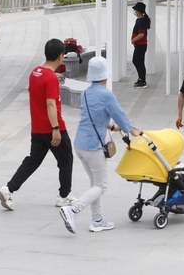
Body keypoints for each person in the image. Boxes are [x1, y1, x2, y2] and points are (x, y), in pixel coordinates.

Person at [59, 56, 142, 234]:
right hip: (93, 146)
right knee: (102, 185)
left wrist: (110, 126)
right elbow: (118, 113)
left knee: (94, 183)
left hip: (80, 144)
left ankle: (97, 220)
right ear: (105, 75)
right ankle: (73, 210)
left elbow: (94, 116)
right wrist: (130, 129)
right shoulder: (106, 95)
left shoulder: (86, 93)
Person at [0, 38, 76, 211]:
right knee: (66, 160)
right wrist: (55, 128)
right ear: (60, 56)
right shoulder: (51, 78)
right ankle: (64, 196)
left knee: (33, 160)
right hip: (52, 128)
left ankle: (8, 189)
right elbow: (50, 104)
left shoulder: (35, 72)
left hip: (37, 128)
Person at [130, 1, 151, 88]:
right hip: (138, 45)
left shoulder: (141, 21)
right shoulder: (139, 20)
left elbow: (141, 34)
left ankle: (143, 80)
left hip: (141, 45)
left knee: (140, 63)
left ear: (138, 11)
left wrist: (133, 40)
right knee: (135, 61)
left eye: (135, 10)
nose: (134, 11)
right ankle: (140, 78)